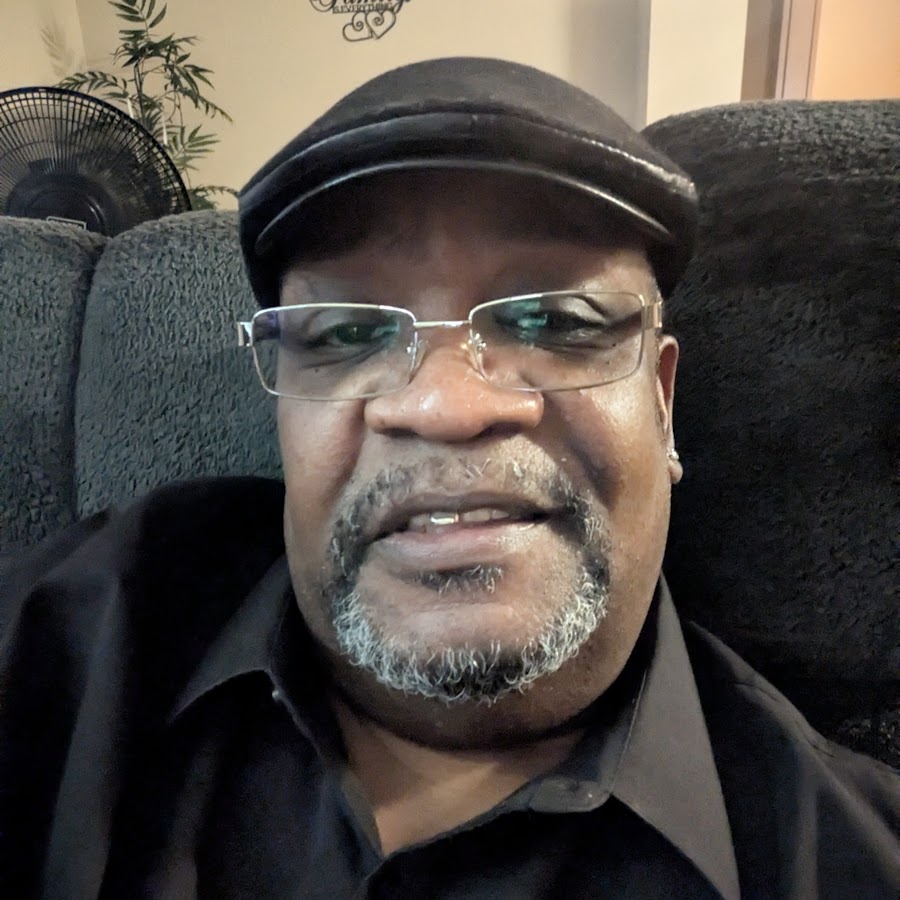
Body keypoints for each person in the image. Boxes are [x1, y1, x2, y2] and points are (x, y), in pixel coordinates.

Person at [0, 58, 896, 900]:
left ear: (662, 404)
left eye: (554, 319)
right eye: (347, 333)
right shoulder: (78, 636)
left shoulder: (850, 857)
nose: (445, 407)